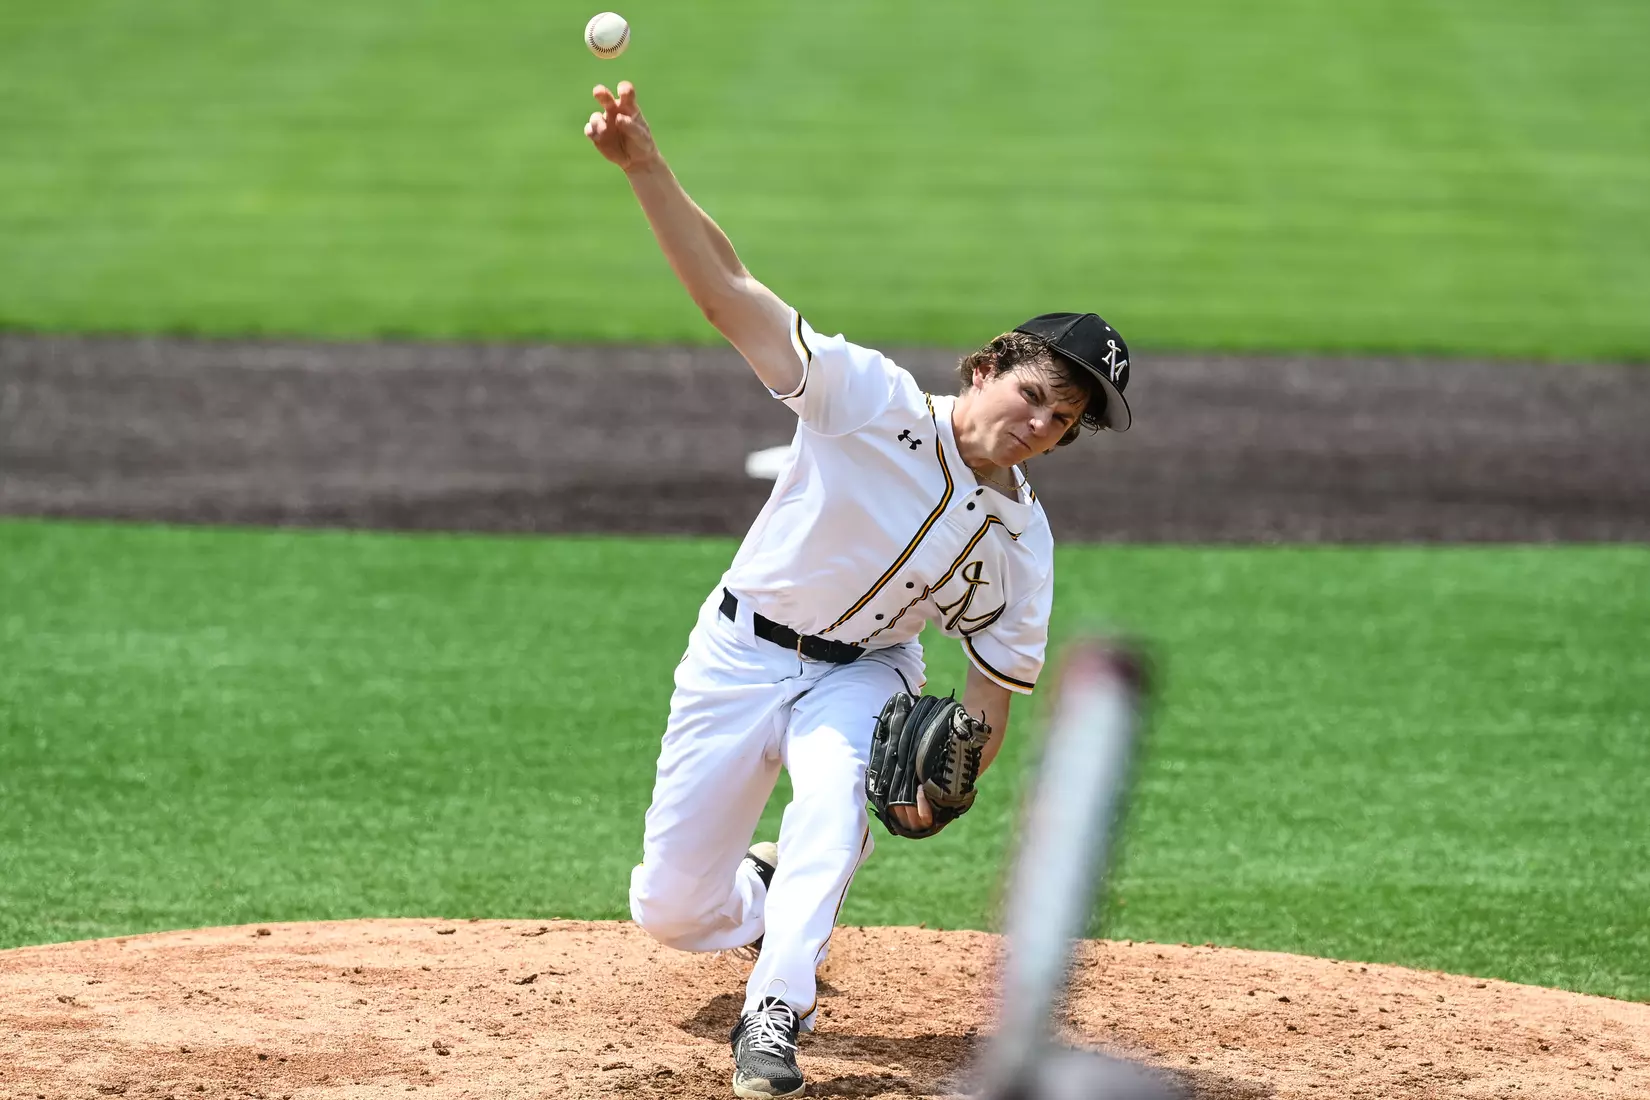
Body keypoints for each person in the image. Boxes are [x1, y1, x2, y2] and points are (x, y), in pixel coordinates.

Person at [582, 81, 1133, 1100]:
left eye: (1063, 420)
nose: (1040, 422)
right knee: (670, 908)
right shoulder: (867, 399)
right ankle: (759, 884)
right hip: (738, 654)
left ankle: (775, 1014)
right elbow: (730, 294)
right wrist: (646, 168)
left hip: (865, 674)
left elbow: (992, 689)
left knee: (834, 811)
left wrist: (952, 783)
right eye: (1033, 392)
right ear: (985, 369)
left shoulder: (1022, 541)